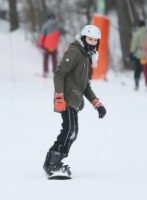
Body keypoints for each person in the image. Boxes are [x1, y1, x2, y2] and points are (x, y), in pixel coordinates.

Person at [43, 25, 107, 178]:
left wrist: (96, 103)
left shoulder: (87, 57)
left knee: (72, 132)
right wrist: (59, 96)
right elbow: (59, 73)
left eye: (95, 40)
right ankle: (53, 163)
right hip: (66, 99)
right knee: (69, 130)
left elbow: (85, 86)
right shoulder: (75, 52)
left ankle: (52, 160)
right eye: (89, 39)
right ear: (84, 39)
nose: (92, 43)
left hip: (75, 100)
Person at [130, 20, 147, 92]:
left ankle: (137, 83)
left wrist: (132, 52)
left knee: (138, 69)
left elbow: (134, 44)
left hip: (139, 54)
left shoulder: (137, 33)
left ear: (139, 26)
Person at [38, 13, 61, 78]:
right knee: (54, 59)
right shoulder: (58, 24)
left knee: (45, 59)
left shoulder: (45, 25)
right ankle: (55, 72)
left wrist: (41, 44)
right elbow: (60, 33)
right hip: (54, 46)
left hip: (47, 46)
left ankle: (45, 72)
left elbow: (42, 36)